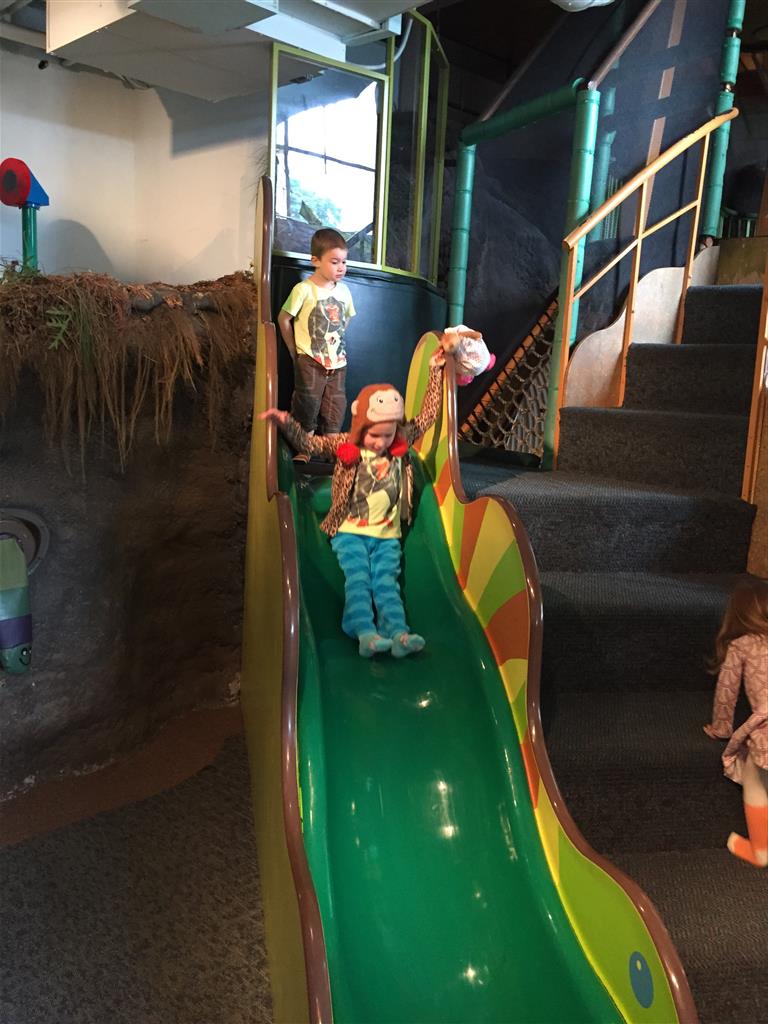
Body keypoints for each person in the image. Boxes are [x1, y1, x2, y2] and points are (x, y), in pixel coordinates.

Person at [261, 347, 445, 659]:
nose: (382, 442)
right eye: (375, 436)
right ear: (361, 427)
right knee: (359, 580)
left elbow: (428, 415)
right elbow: (311, 444)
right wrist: (287, 422)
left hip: (386, 535)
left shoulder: (399, 441)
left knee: (386, 583)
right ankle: (364, 632)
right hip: (349, 532)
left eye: (388, 435)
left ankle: (398, 633)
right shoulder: (346, 444)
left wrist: (435, 370)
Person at [703, 577, 768, 867]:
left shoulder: (741, 645)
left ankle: (761, 852)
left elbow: (726, 693)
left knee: (755, 781)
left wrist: (721, 728)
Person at [277, 228, 356, 462]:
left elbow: (347, 318)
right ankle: (306, 449)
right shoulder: (304, 289)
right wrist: (294, 350)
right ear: (316, 261)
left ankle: (331, 450)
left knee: (335, 406)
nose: (341, 267)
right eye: (334, 262)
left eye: (344, 262)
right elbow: (283, 318)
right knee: (307, 403)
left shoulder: (344, 292)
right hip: (310, 360)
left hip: (338, 363)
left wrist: (336, 340)